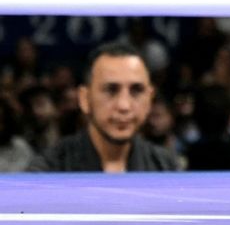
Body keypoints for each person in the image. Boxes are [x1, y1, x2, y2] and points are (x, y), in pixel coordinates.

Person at [28, 42, 177, 172]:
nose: (124, 105)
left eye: (136, 90)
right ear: (84, 99)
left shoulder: (166, 168)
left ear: (149, 99)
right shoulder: (48, 171)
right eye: (111, 90)